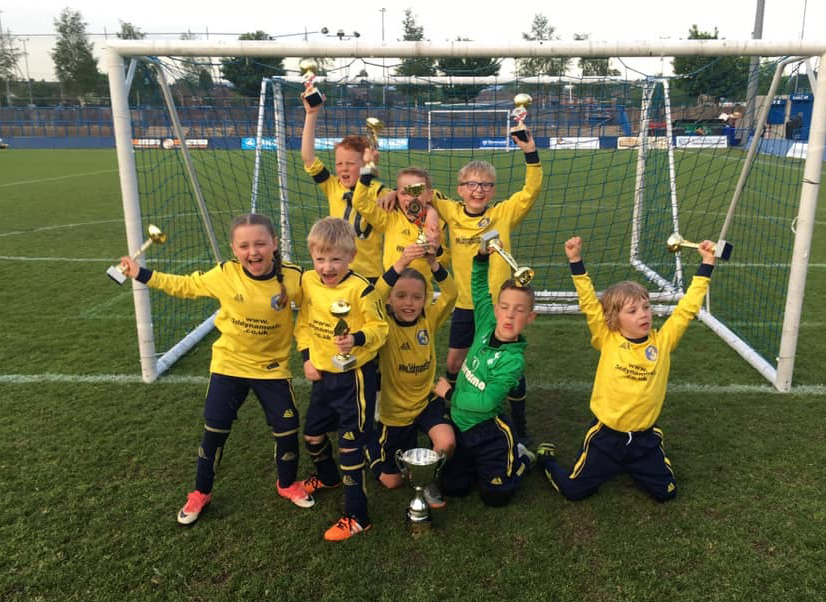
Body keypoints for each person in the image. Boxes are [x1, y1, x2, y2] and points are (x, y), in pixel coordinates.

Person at [118, 213, 312, 525]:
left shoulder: (294, 277)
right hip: (230, 364)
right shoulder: (225, 274)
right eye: (244, 245)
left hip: (271, 368)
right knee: (215, 429)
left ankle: (287, 484)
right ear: (234, 249)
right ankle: (200, 492)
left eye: (261, 243)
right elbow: (186, 286)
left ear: (274, 244)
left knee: (287, 427)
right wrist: (141, 273)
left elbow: (318, 303)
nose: (254, 252)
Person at [536, 235, 716, 502]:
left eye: (646, 307)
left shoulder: (662, 342)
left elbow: (686, 309)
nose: (643, 314)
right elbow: (588, 303)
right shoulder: (607, 338)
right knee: (574, 492)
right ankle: (546, 462)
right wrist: (575, 260)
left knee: (667, 494)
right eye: (632, 311)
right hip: (606, 437)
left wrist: (707, 265)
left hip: (644, 439)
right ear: (614, 318)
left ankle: (636, 463)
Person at [430, 128, 543, 446]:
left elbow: (530, 191)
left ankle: (519, 427)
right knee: (454, 362)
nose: (478, 190)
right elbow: (422, 193)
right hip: (466, 304)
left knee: (512, 373)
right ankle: (451, 411)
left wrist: (530, 154)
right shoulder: (450, 211)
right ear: (460, 189)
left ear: (492, 190)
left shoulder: (502, 213)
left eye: (485, 185)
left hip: (500, 308)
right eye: (471, 184)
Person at [295, 217, 389, 541]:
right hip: (323, 377)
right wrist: (307, 358)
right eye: (320, 259)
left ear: (350, 256)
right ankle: (328, 477)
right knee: (312, 436)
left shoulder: (362, 289)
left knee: (350, 448)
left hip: (356, 379)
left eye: (335, 259)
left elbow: (381, 329)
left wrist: (357, 339)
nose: (327, 266)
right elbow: (304, 322)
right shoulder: (308, 282)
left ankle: (358, 516)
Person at [432, 242, 537, 508]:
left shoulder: (513, 360)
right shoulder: (487, 322)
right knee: (453, 488)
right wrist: (480, 257)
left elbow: (487, 402)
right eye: (504, 306)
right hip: (461, 426)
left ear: (530, 317)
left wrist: (450, 393)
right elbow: (478, 289)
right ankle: (480, 468)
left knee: (496, 497)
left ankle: (522, 459)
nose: (509, 315)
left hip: (489, 432)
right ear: (497, 307)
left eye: (519, 310)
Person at [365, 244, 458, 507]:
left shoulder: (428, 319)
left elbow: (451, 293)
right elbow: (371, 297)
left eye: (417, 297)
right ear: (390, 299)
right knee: (392, 481)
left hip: (426, 399)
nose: (409, 303)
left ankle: (427, 480)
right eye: (401, 296)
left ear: (425, 298)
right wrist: (401, 262)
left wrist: (434, 264)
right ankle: (370, 441)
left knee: (447, 442)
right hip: (394, 411)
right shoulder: (383, 324)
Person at [301, 93, 386, 282]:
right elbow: (308, 158)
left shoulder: (379, 191)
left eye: (350, 163)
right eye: (339, 164)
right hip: (336, 269)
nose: (343, 169)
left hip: (369, 273)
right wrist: (311, 114)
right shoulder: (332, 186)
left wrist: (395, 194)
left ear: (364, 162)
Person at [352, 160, 448, 296]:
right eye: (404, 193)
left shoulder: (436, 224)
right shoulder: (390, 218)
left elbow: (443, 262)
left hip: (421, 295)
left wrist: (436, 250)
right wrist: (367, 171)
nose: (410, 198)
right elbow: (359, 203)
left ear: (429, 195)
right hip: (391, 291)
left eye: (416, 192)